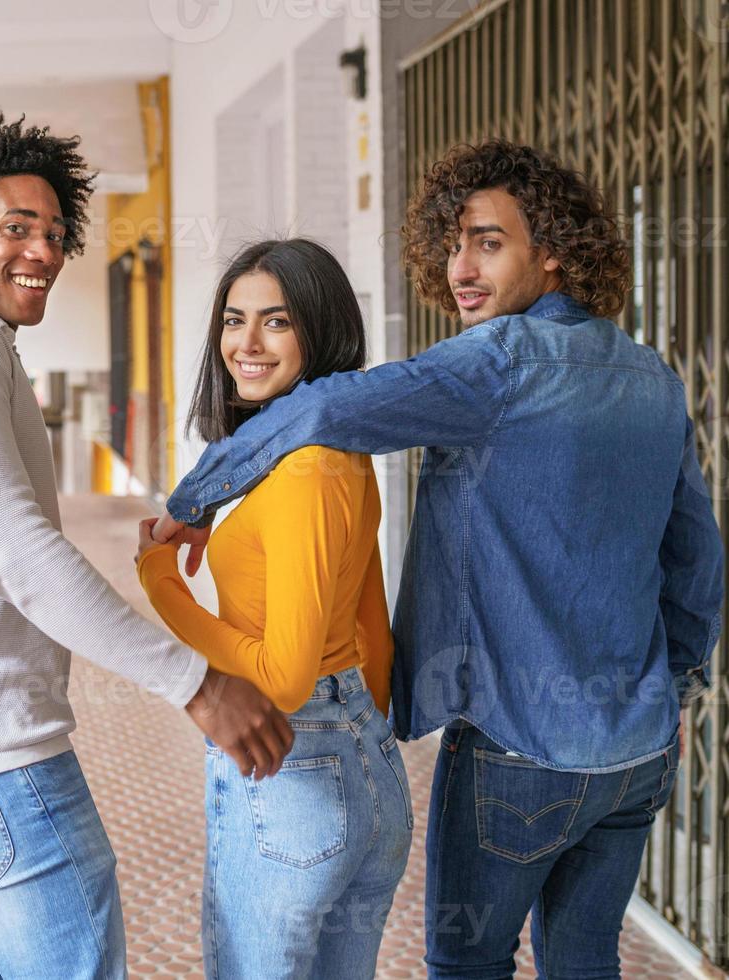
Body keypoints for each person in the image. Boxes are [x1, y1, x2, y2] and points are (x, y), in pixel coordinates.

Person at [154, 140, 725, 977]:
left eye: (488, 242)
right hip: (637, 753)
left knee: (469, 963)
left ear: (555, 250)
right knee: (586, 956)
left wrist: (192, 498)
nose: (461, 266)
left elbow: (326, 406)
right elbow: (697, 562)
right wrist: (675, 688)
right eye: (452, 243)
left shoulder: (499, 361)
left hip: (517, 746)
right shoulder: (652, 377)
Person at [0, 112, 293, 980]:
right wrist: (196, 684)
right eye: (16, 229)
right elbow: (13, 551)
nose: (45, 252)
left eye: (56, 233)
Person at [135, 238, 409, 979]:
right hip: (362, 761)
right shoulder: (334, 450)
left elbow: (282, 681)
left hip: (293, 767)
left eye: (276, 323)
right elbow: (370, 628)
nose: (245, 344)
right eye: (234, 319)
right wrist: (361, 736)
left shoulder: (305, 472)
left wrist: (159, 580)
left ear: (321, 331)